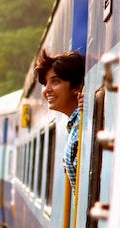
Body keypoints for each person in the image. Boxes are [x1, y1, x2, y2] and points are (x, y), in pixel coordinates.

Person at [34, 49, 85, 190]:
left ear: (77, 87)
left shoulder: (84, 124)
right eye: (45, 84)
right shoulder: (76, 124)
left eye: (55, 81)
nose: (46, 90)